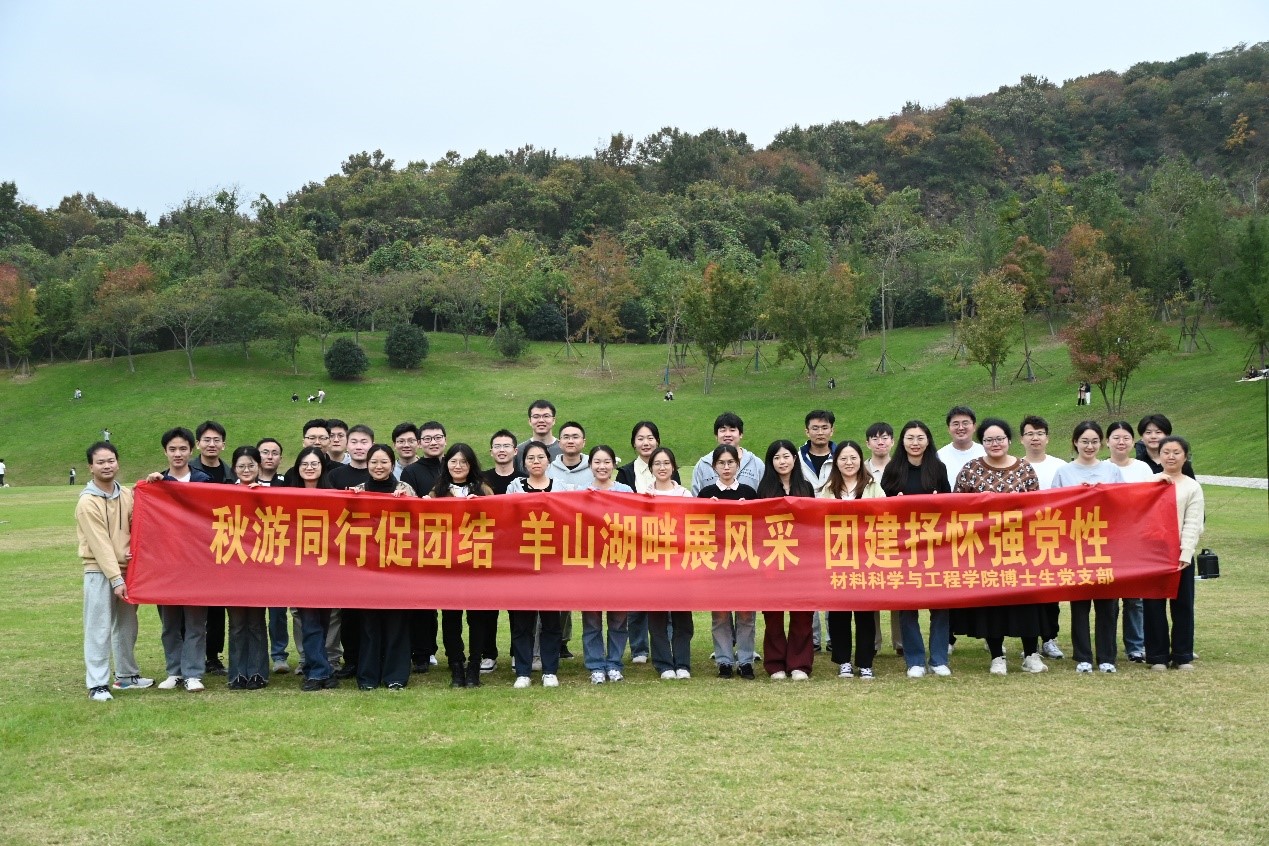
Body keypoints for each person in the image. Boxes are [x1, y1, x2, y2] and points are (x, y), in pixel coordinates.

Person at [951, 418, 1049, 676]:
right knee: (992, 604)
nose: (995, 444)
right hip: (986, 551)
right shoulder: (971, 469)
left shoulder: (1025, 468)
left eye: (1000, 439)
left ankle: (1031, 654)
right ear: (982, 443)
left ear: (1009, 440)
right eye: (989, 440)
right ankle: (997, 655)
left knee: (1026, 602)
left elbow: (1037, 507)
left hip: (1020, 548)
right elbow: (958, 508)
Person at [78, 441, 151, 701]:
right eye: (100, 462)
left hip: (127, 571)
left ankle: (126, 675)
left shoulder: (127, 494)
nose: (107, 466)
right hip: (100, 572)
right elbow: (100, 545)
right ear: (91, 467)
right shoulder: (87, 502)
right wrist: (116, 578)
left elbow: (138, 523)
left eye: (111, 461)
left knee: (127, 626)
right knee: (98, 627)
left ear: (117, 463)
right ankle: (97, 684)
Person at [879, 421, 952, 678]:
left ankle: (939, 658)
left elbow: (950, 505)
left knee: (940, 604)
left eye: (920, 438)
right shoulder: (893, 469)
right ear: (902, 441)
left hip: (934, 547)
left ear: (928, 440)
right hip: (904, 548)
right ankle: (915, 660)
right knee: (908, 605)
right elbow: (881, 508)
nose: (915, 443)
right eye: (910, 438)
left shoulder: (938, 468)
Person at [1051, 421, 1124, 673]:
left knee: (1108, 605)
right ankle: (1082, 656)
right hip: (1077, 546)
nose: (1089, 446)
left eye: (1094, 441)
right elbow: (1055, 506)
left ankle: (1107, 657)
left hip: (1105, 545)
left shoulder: (1112, 470)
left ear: (1101, 443)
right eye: (1084, 441)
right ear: (1075, 442)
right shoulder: (1064, 472)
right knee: (1080, 605)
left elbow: (1122, 503)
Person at [145, 427, 210, 692]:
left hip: (196, 564)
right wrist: (152, 486)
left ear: (191, 450)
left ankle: (193, 673)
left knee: (195, 622)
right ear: (165, 452)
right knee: (169, 623)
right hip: (166, 564)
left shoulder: (204, 482)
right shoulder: (157, 484)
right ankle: (174, 671)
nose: (178, 454)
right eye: (172, 449)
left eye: (183, 448)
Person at [428, 443, 495, 688]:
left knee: (477, 618)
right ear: (446, 464)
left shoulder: (483, 489)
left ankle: (474, 666)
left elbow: (498, 521)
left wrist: (483, 506)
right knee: (451, 618)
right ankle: (456, 666)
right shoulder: (437, 492)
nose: (458, 466)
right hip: (448, 567)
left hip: (477, 565)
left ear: (471, 465)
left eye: (463, 462)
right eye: (453, 461)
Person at [351, 444, 415, 690]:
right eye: (374, 462)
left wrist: (406, 503)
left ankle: (395, 675)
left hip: (398, 567)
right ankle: (368, 676)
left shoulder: (405, 489)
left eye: (384, 462)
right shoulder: (357, 491)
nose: (379, 467)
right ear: (367, 464)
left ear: (392, 464)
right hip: (366, 569)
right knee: (369, 624)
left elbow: (419, 523)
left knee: (396, 623)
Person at [819, 440, 884, 679]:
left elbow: (885, 515)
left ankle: (865, 662)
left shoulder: (873, 486)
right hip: (837, 559)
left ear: (860, 460)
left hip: (866, 558)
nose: (849, 463)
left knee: (866, 612)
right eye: (843, 458)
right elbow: (819, 520)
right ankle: (843, 661)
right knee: (839, 612)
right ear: (836, 462)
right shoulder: (828, 489)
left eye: (853, 458)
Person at [697, 444, 759, 680]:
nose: (726, 467)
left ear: (738, 465)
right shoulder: (706, 494)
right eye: (721, 463)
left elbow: (759, 528)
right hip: (716, 564)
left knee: (746, 615)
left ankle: (745, 660)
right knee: (721, 614)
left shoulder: (749, 493)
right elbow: (696, 528)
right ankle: (724, 660)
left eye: (730, 462)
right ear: (714, 466)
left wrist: (747, 510)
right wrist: (708, 510)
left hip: (744, 563)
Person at [615, 421, 675, 666]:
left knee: (666, 596)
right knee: (637, 597)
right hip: (635, 542)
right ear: (633, 443)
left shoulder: (667, 467)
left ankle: (666, 642)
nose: (646, 443)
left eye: (650, 438)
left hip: (664, 541)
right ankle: (639, 647)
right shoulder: (626, 472)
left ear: (657, 441)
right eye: (640, 438)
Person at [756, 440, 816, 680]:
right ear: (771, 462)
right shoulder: (764, 489)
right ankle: (775, 664)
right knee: (773, 615)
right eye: (777, 458)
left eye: (786, 456)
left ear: (794, 458)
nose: (782, 462)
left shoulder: (806, 487)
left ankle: (800, 664)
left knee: (802, 613)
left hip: (802, 560)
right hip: (772, 558)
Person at [1145, 436, 1204, 672]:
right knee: (1153, 605)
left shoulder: (1192, 487)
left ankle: (1182, 654)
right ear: (1159, 456)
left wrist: (1186, 552)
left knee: (1183, 605)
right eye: (1166, 452)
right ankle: (1157, 656)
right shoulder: (1148, 483)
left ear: (1185, 457)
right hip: (1152, 553)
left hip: (1180, 554)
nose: (1171, 457)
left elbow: (1193, 522)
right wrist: (1155, 484)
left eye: (1176, 452)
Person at [506, 442, 562, 687]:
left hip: (551, 564)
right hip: (522, 564)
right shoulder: (514, 487)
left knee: (551, 621)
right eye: (531, 458)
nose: (536, 461)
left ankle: (550, 670)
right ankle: (523, 671)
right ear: (524, 462)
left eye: (540, 457)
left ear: (549, 460)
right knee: (522, 621)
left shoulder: (561, 488)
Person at [285, 446, 338, 691]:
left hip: (327, 568)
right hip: (299, 568)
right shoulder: (286, 495)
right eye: (304, 464)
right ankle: (319, 672)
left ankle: (317, 668)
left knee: (323, 621)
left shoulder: (334, 495)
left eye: (314, 463)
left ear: (322, 467)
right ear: (297, 468)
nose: (309, 468)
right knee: (309, 620)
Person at [581, 446, 632, 684]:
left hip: (618, 564)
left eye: (607, 462)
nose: (602, 467)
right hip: (590, 566)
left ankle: (614, 663)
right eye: (597, 462)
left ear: (614, 464)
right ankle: (595, 665)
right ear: (590, 465)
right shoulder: (581, 494)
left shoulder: (625, 491)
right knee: (592, 620)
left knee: (618, 619)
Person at [1019, 415, 1068, 661]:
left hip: (1051, 535)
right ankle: (1029, 641)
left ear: (1047, 438)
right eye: (1030, 434)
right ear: (1022, 439)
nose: (1035, 438)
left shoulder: (1060, 466)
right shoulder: (1015, 466)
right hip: (1022, 538)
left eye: (1039, 433)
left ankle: (1050, 638)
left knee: (1050, 590)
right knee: (1028, 592)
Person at [1107, 421, 1155, 663]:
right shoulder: (1102, 468)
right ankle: (1107, 646)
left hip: (1136, 540)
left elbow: (1152, 501)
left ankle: (1135, 646)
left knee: (1135, 598)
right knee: (1109, 599)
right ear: (1107, 442)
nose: (1121, 442)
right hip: (1107, 541)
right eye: (1116, 437)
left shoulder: (1143, 468)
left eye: (1126, 437)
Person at [644, 447, 694, 679]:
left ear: (673, 467)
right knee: (657, 619)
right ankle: (664, 664)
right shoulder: (643, 496)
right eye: (657, 463)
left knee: (683, 618)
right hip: (653, 565)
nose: (662, 467)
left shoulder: (685, 494)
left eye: (666, 463)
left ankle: (682, 663)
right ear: (651, 468)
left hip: (680, 564)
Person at [223, 446, 270, 691]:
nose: (246, 470)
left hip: (260, 567)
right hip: (233, 566)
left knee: (256, 622)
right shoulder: (225, 493)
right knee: (237, 623)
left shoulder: (270, 493)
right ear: (234, 469)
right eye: (241, 466)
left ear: (259, 467)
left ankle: (258, 672)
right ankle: (237, 674)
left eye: (251, 465)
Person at [191, 421, 234, 677]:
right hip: (195, 549)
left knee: (218, 607)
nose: (211, 444)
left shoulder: (232, 475)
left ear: (223, 444)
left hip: (224, 548)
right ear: (198, 444)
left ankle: (213, 656)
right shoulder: (187, 473)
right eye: (206, 440)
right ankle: (191, 654)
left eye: (216, 440)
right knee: (194, 605)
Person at [864, 422, 899, 655]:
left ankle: (900, 642)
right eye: (875, 438)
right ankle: (873, 643)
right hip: (867, 538)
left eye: (885, 437)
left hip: (897, 538)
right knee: (871, 590)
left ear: (892, 441)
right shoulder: (860, 469)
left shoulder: (900, 467)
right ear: (867, 443)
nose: (880, 442)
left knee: (897, 588)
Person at [690, 411, 763, 494]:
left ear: (741, 434)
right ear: (716, 435)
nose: (727, 434)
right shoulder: (703, 465)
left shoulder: (756, 464)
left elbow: (764, 495)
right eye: (723, 430)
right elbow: (696, 497)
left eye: (732, 430)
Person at [1135, 414, 1197, 479]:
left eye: (1158, 432)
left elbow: (1191, 484)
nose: (1153, 436)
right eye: (1148, 432)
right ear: (1142, 436)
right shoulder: (1138, 464)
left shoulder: (1178, 462)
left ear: (1167, 435)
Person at [937, 406, 984, 488]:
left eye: (965, 423)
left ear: (974, 427)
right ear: (948, 429)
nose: (961, 428)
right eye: (956, 424)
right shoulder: (939, 456)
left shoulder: (985, 453)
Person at [516, 399, 562, 475]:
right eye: (536, 417)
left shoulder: (564, 449)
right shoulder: (519, 451)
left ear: (553, 420)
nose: (541, 420)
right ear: (530, 421)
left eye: (546, 416)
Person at [547, 421, 594, 489]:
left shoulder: (595, 469)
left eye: (575, 437)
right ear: (559, 443)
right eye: (566, 437)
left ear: (583, 442)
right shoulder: (548, 471)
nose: (570, 441)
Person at [798, 410, 836, 494]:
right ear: (807, 432)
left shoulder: (841, 458)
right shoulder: (797, 459)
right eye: (815, 428)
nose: (820, 433)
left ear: (832, 431)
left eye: (824, 428)